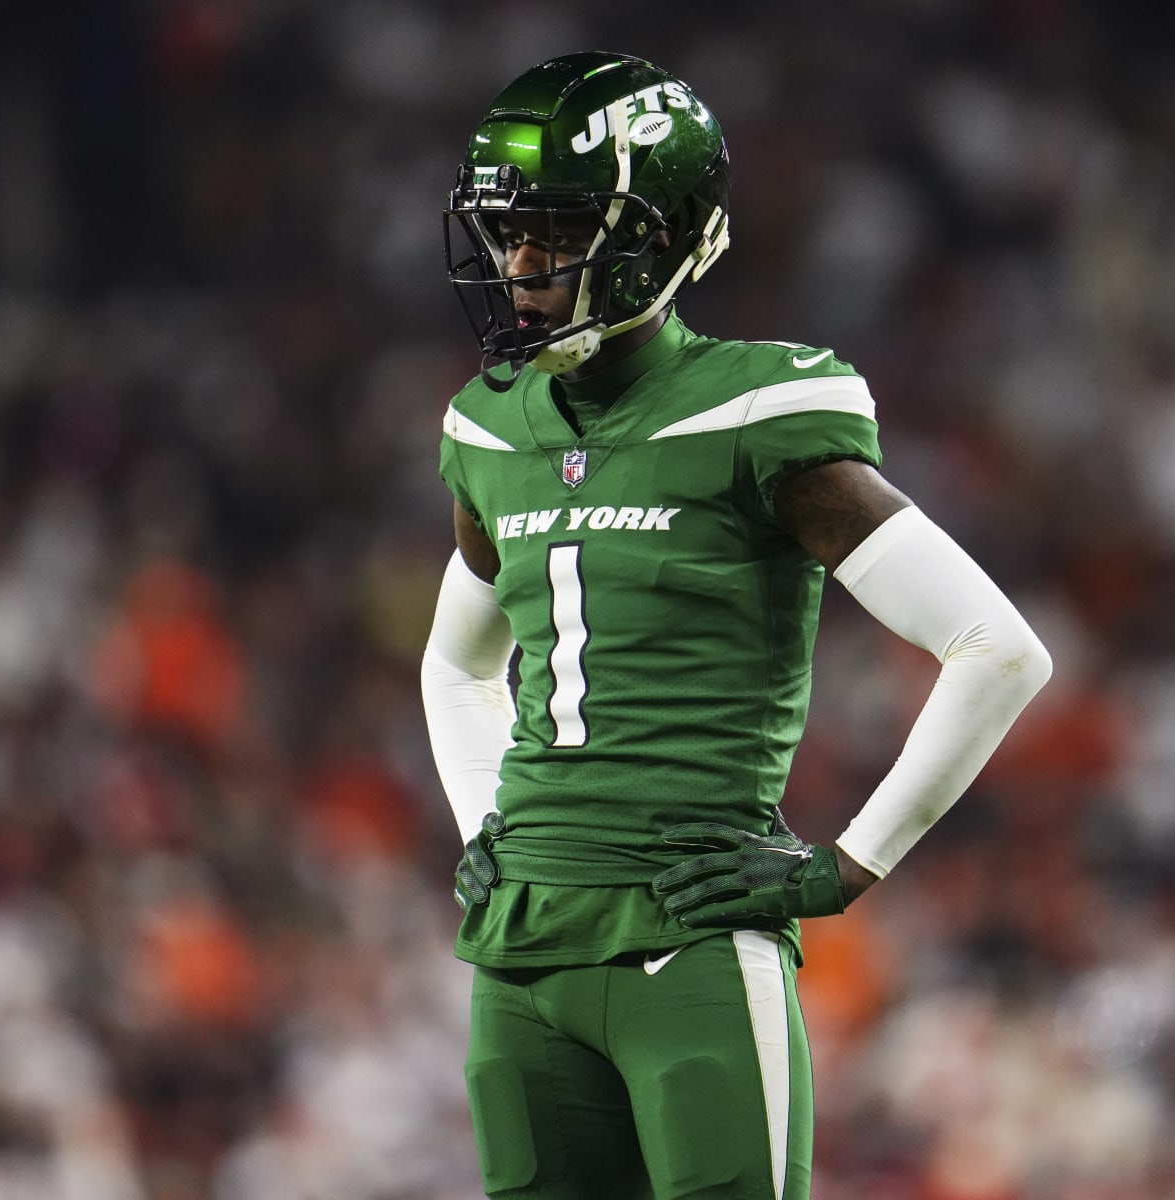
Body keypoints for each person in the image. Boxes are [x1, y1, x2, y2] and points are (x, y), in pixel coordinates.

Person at [420, 50, 1051, 1200]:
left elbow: (998, 648)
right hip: (518, 954)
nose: (519, 267)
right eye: (509, 231)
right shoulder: (489, 429)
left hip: (688, 942)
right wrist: (484, 829)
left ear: (658, 241)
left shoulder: (760, 407)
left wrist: (848, 865)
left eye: (557, 232)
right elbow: (453, 668)